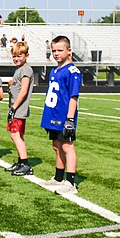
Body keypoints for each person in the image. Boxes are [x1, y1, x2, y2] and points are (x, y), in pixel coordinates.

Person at [40, 35, 81, 193]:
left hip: (64, 116)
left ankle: (70, 182)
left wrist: (69, 119)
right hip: (53, 114)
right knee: (56, 146)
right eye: (53, 50)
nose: (56, 53)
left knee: (67, 147)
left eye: (60, 50)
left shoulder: (72, 71)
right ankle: (58, 177)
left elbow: (73, 97)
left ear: (68, 50)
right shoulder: (54, 70)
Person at [5, 41, 35, 175]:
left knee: (15, 135)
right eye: (14, 56)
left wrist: (14, 108)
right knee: (18, 135)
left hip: (19, 109)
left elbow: (23, 90)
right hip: (16, 107)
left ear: (26, 55)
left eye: (19, 56)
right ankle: (20, 161)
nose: (16, 59)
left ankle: (26, 164)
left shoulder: (26, 70)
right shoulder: (19, 70)